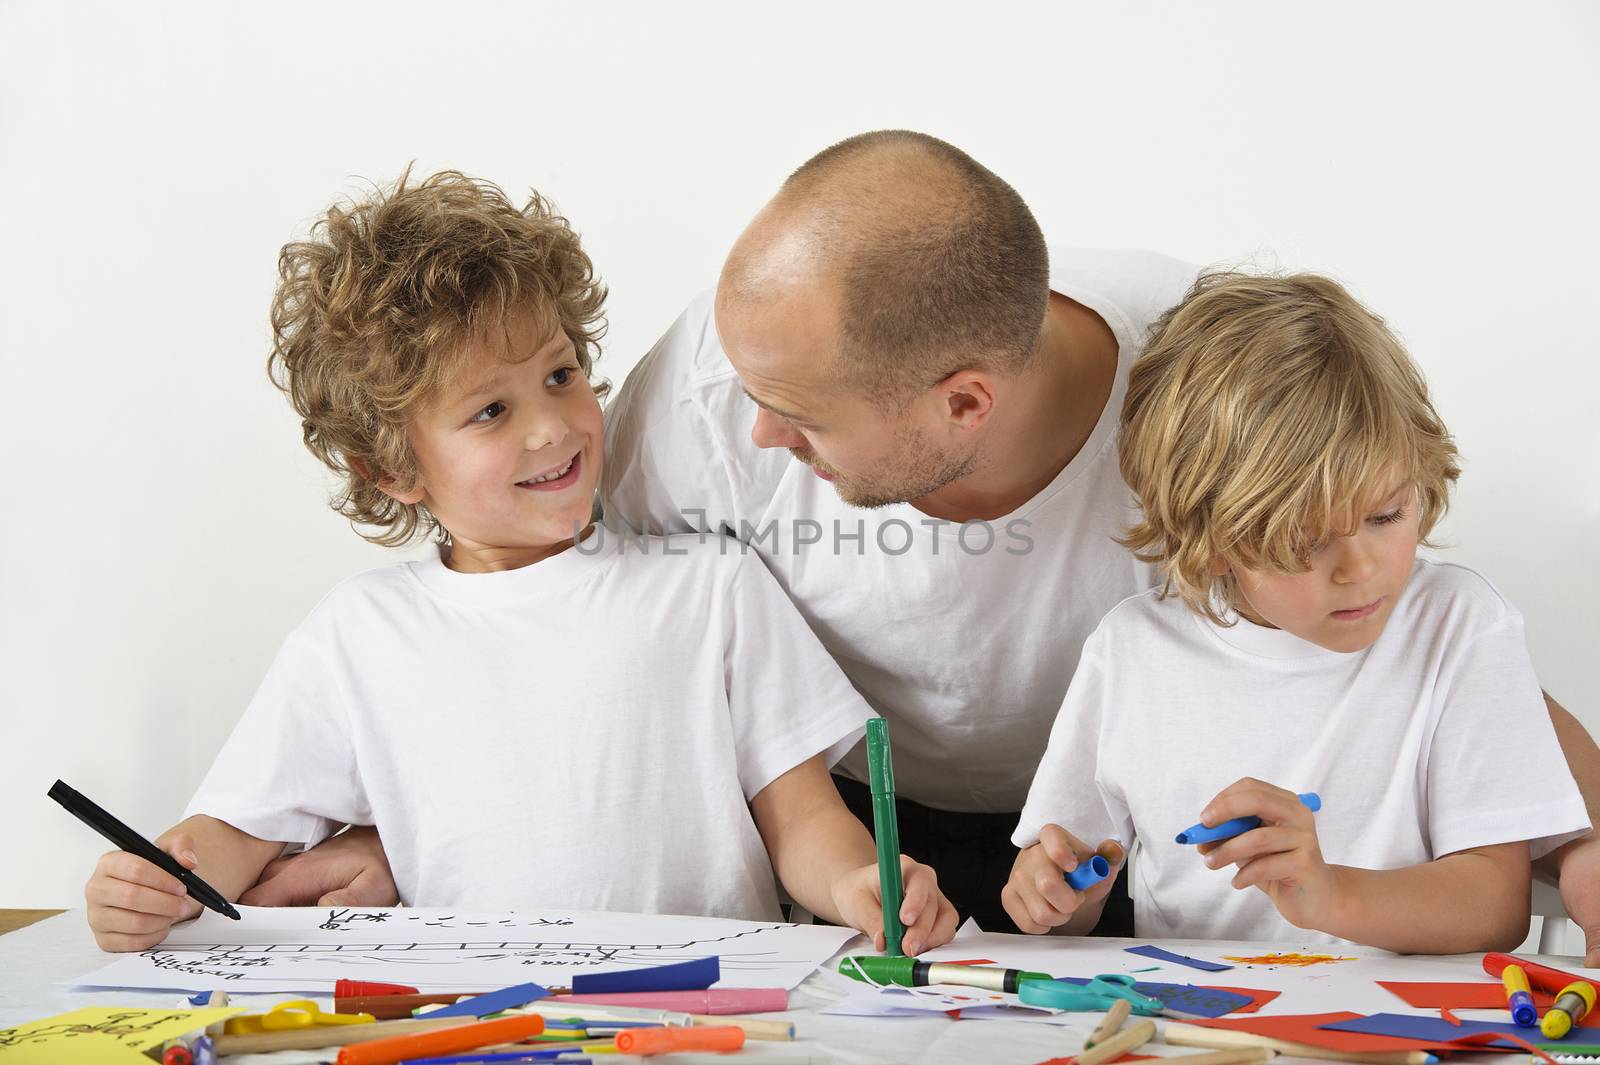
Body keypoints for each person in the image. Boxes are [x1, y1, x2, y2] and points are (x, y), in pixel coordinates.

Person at [251, 132, 1600, 957]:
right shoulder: (713, 399)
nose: (759, 433)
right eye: (748, 384)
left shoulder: (1212, 382)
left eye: (803, 417)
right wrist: (409, 820)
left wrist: (1580, 842)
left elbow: (1395, 622)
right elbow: (561, 620)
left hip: (1145, 843)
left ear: (964, 403)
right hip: (859, 835)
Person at [81, 169, 958, 954]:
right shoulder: (360, 633)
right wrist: (157, 881)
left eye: (560, 373)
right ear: (391, 468)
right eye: (490, 411)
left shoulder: (712, 588)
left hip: (714, 1009)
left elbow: (802, 818)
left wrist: (857, 886)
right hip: (476, 1016)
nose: (552, 425)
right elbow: (236, 834)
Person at [1005, 272, 1589, 950]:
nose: (1360, 567)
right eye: (1305, 542)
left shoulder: (1457, 627)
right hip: (1195, 1034)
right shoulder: (1130, 651)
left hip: (1399, 1039)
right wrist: (1053, 892)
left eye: (1386, 513)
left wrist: (1332, 893)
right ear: (1212, 539)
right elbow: (1068, 887)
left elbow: (1494, 903)